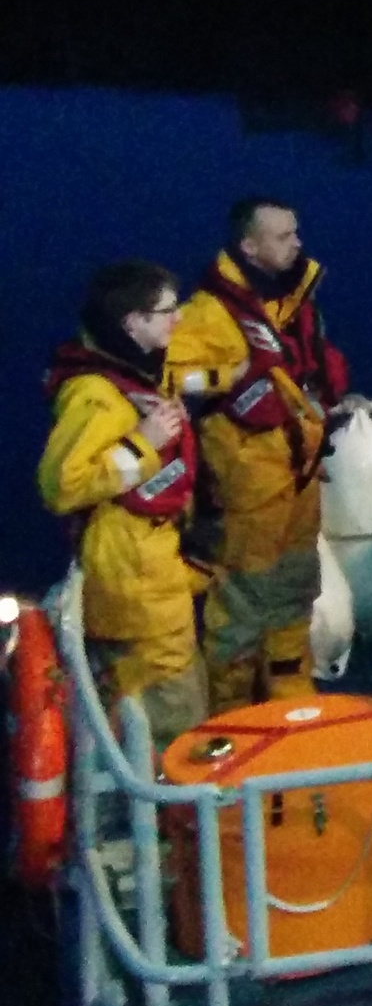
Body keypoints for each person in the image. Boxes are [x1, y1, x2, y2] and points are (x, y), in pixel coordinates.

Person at [168, 197, 346, 710]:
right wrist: (227, 379)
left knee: (295, 591)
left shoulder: (292, 306)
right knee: (241, 606)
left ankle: (289, 690)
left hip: (299, 478)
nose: (298, 244)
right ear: (249, 246)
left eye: (296, 233)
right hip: (247, 487)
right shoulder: (208, 314)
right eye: (283, 237)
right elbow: (160, 373)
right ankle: (233, 709)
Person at [39, 263, 210, 746]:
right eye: (166, 311)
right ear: (132, 323)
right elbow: (61, 486)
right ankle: (163, 815)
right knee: (166, 713)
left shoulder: (139, 375)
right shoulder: (96, 396)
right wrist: (144, 442)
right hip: (133, 584)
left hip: (154, 570)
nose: (178, 320)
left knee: (176, 694)